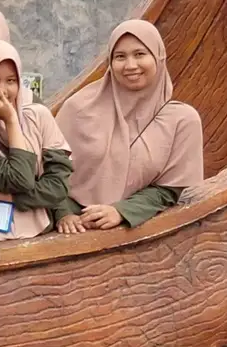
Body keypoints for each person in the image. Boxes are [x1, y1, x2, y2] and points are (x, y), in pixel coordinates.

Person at [56, 19, 204, 233]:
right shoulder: (78, 109)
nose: (130, 65)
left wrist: (121, 211)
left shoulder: (182, 120)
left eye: (140, 54)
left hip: (135, 230)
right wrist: (63, 213)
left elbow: (169, 190)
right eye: (120, 57)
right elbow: (48, 170)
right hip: (70, 227)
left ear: (158, 57)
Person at [0, 39, 74, 240]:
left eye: (11, 80)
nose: (2, 90)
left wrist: (8, 197)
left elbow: (58, 187)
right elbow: (20, 179)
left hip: (43, 232)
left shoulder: (37, 116)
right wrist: (11, 122)